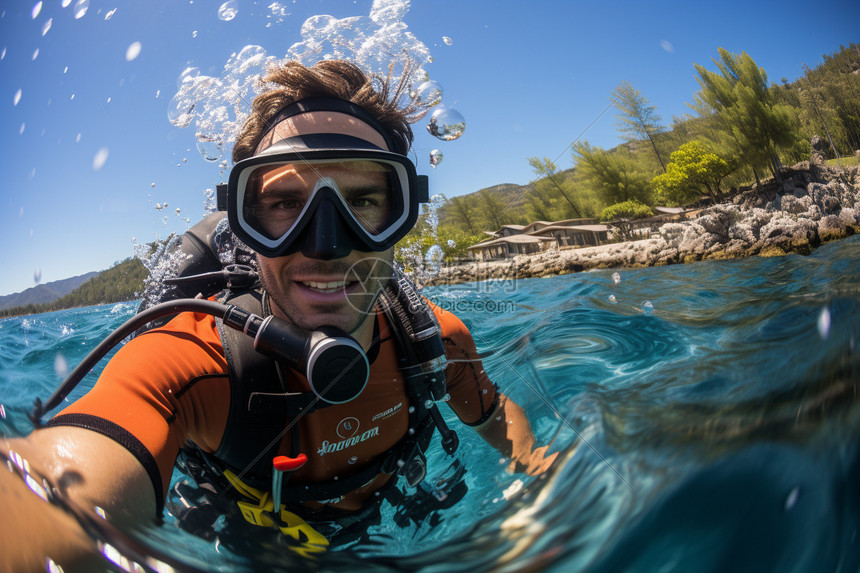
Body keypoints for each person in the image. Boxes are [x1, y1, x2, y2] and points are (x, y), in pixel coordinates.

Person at [0, 59, 555, 570]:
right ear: (245, 224)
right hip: (249, 537)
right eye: (286, 204)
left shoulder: (432, 340)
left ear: (402, 215)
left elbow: (496, 417)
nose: (327, 247)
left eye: (363, 202)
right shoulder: (191, 365)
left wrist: (538, 486)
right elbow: (65, 482)